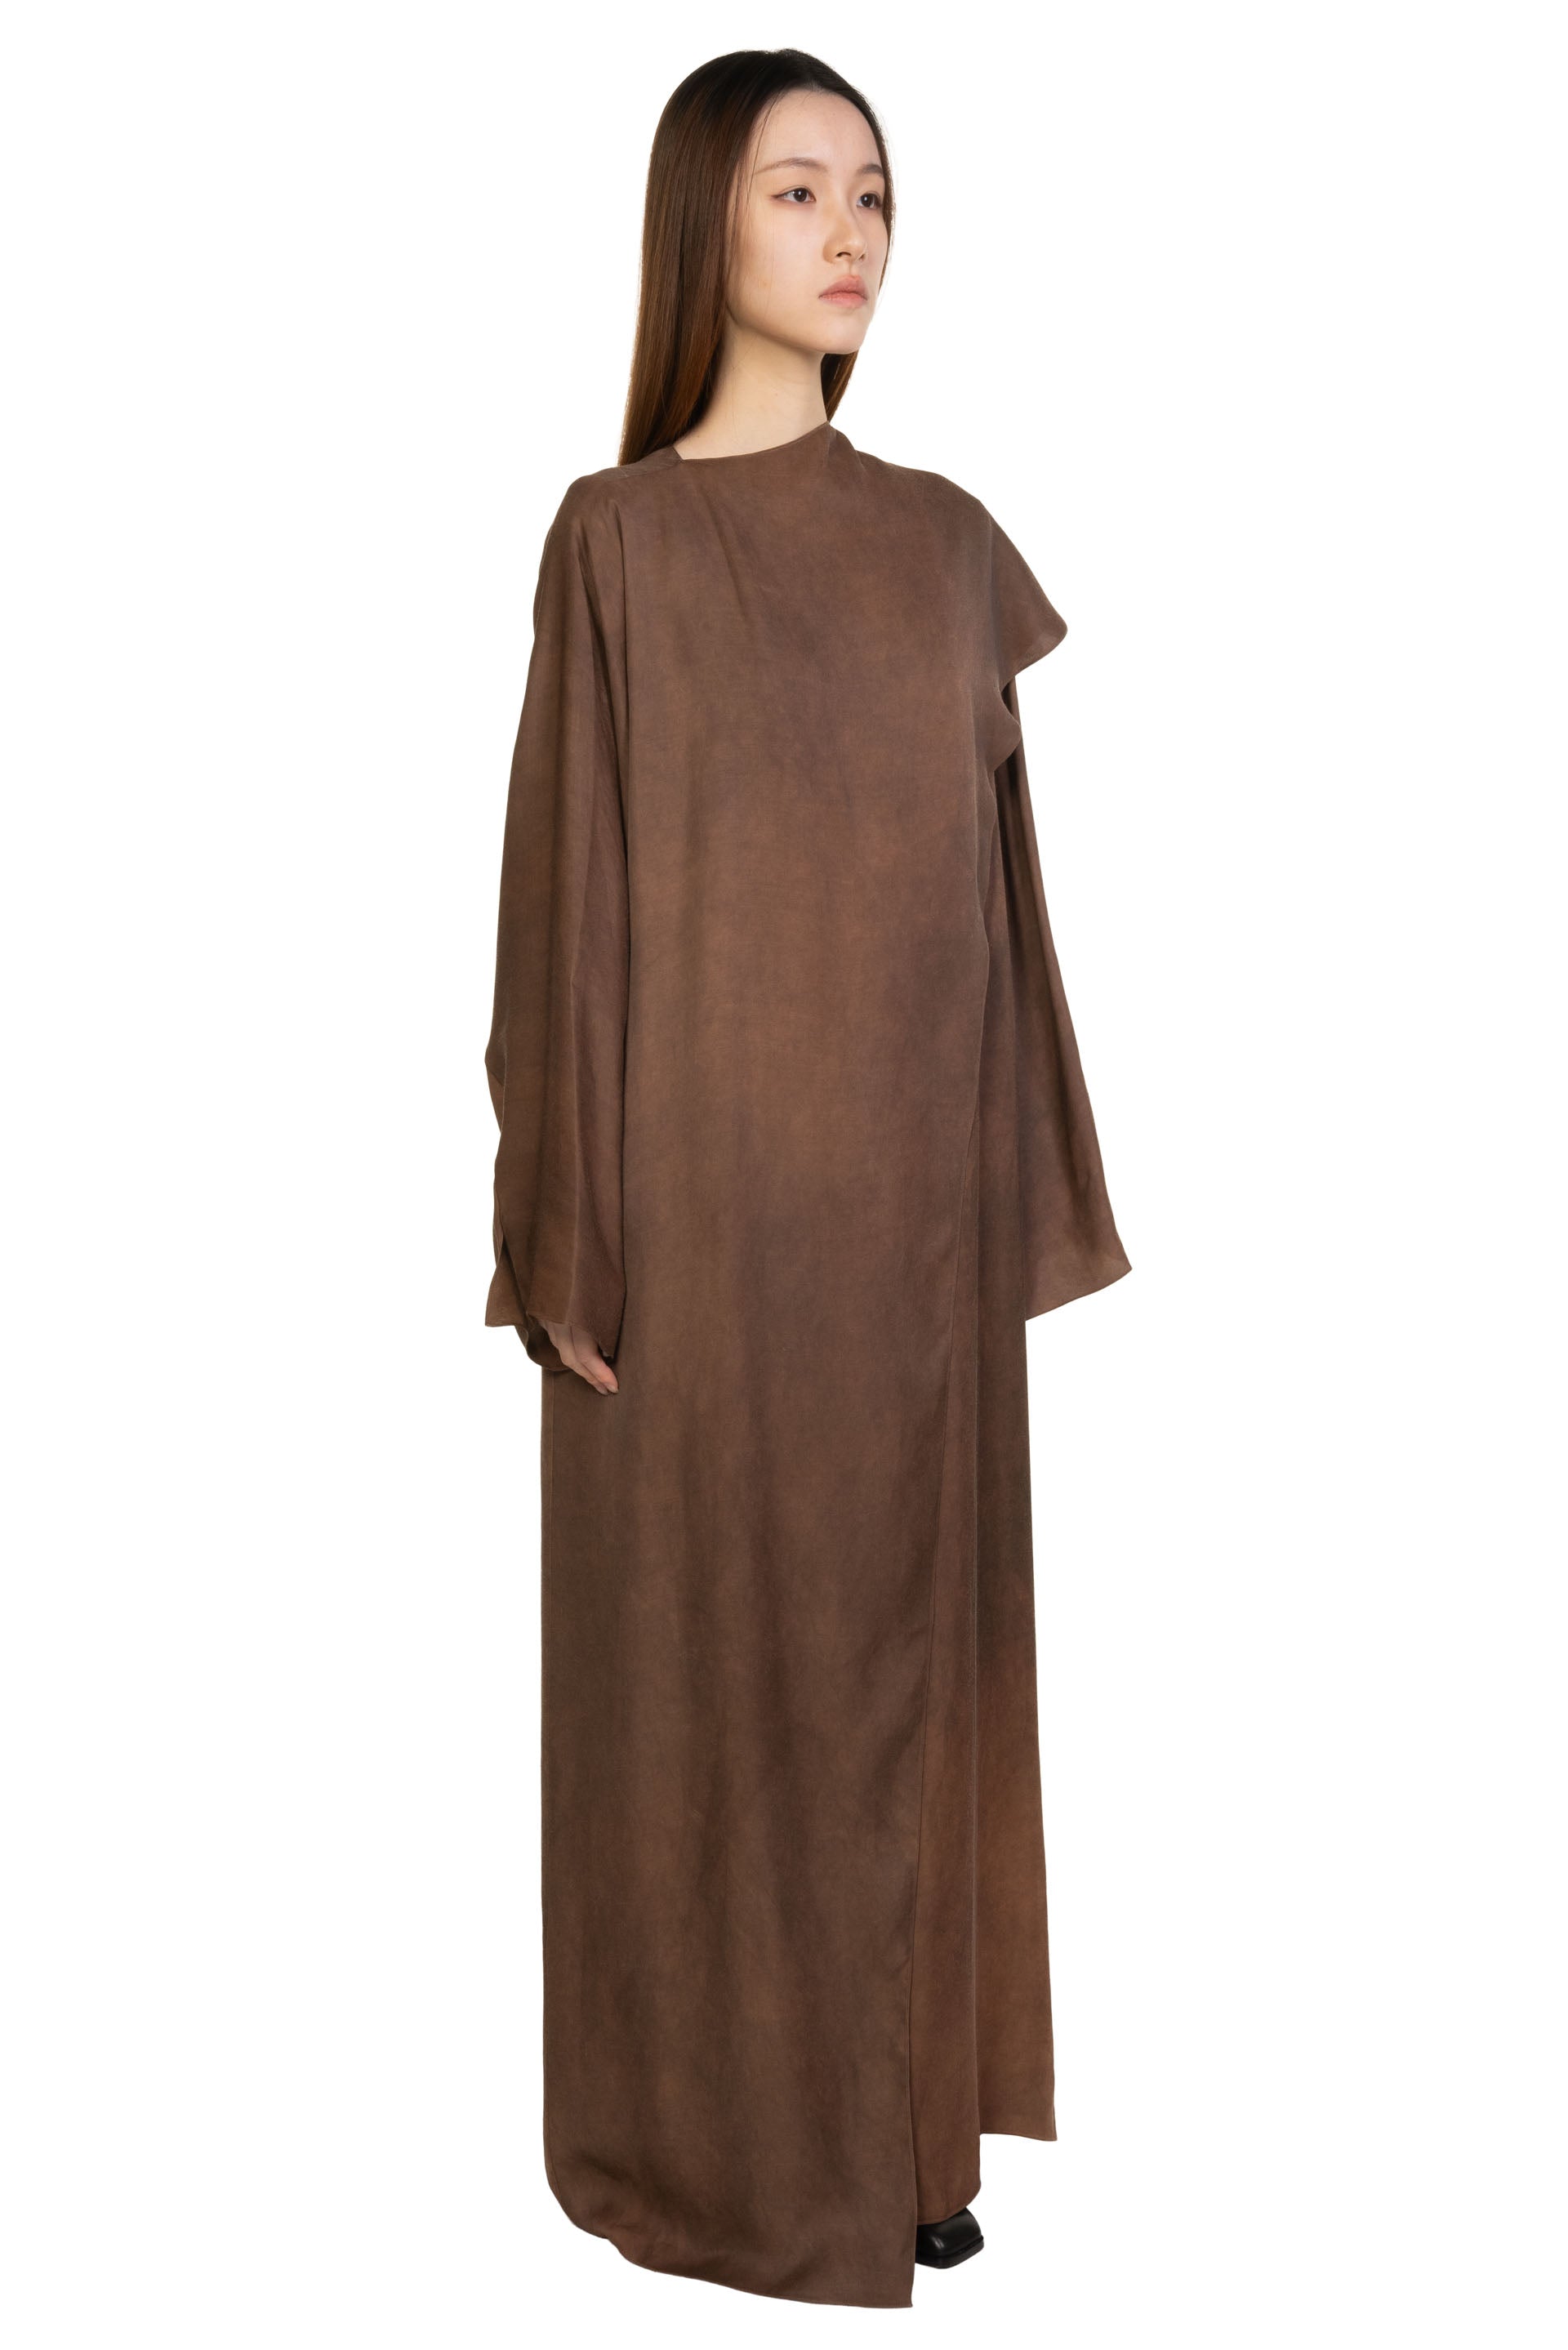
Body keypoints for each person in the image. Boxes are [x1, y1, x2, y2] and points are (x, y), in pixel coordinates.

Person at [483, 47, 1131, 2310]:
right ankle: (721, 2154)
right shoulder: (618, 540)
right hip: (692, 1237)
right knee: (705, 1688)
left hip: (907, 1230)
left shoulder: (946, 543)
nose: (850, 232)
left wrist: (1006, 1196)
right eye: (795, 191)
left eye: (874, 193)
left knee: (913, 1684)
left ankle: (909, 2139)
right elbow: (561, 909)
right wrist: (562, 1236)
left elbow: (1002, 910)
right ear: (704, 224)